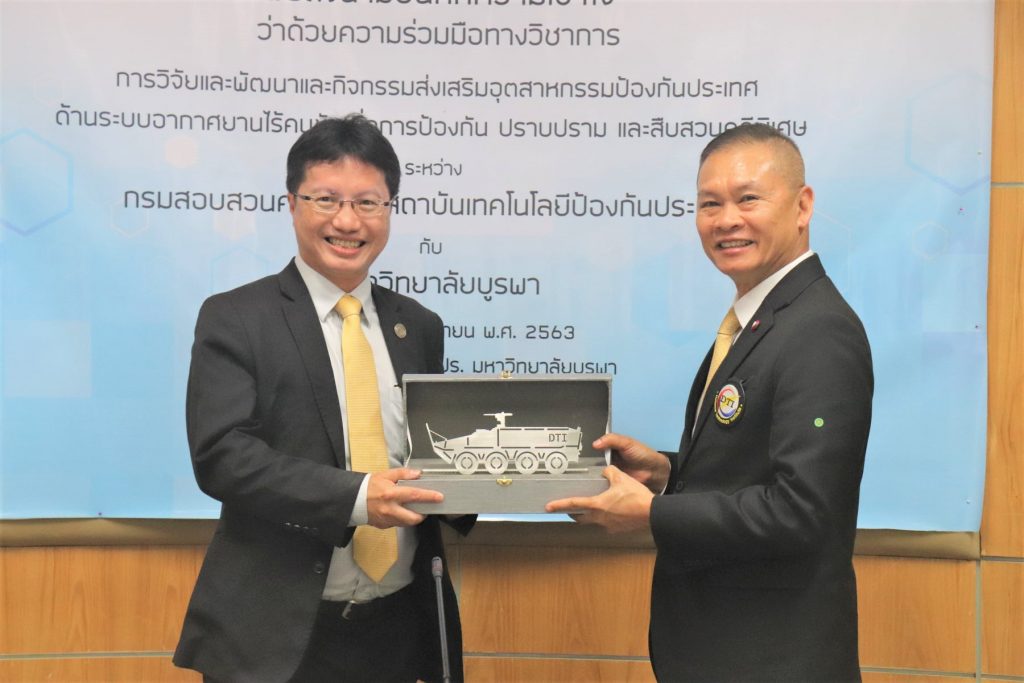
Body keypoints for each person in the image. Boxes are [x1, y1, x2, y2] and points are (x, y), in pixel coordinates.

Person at [548, 123, 873, 682]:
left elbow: (802, 510)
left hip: (773, 661)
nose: (726, 220)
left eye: (748, 199)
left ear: (802, 206)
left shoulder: (818, 330)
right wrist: (666, 474)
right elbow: (752, 467)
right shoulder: (763, 319)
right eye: (709, 204)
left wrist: (651, 514)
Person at [174, 114, 473, 682]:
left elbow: (432, 451)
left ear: (389, 210)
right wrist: (357, 497)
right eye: (326, 199)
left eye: (368, 202)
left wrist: (491, 479)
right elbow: (222, 456)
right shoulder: (236, 317)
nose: (347, 221)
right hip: (277, 636)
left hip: (398, 630)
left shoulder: (419, 325)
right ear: (292, 204)